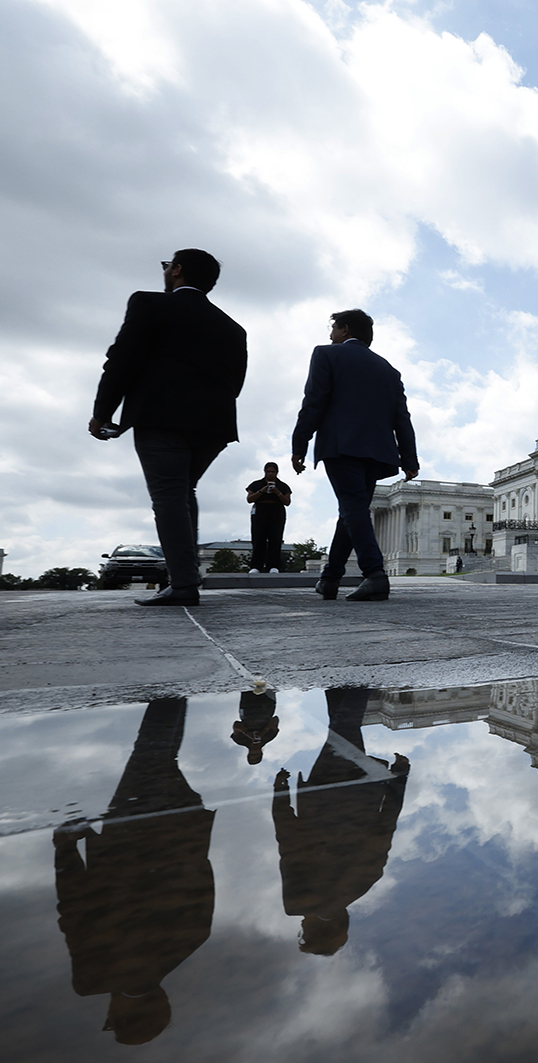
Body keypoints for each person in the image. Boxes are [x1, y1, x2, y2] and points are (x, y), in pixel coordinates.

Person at [90, 249, 248, 606]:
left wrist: (102, 411)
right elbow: (236, 381)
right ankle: (185, 578)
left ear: (177, 270)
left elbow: (121, 359)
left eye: (166, 265)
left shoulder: (149, 304)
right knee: (183, 492)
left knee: (169, 498)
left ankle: (183, 584)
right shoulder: (233, 327)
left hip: (161, 416)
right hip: (214, 424)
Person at [54, 698, 215, 1045]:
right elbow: (74, 908)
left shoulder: (192, 941)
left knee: (157, 757)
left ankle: (175, 694)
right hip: (129, 841)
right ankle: (171, 690)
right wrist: (65, 849)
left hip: (182, 828)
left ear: (164, 1001)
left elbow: (203, 873)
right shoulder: (91, 977)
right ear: (118, 1013)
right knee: (150, 753)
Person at [290, 309, 417, 602]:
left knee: (352, 509)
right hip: (379, 452)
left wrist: (300, 444)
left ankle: (374, 574)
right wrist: (409, 459)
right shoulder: (388, 369)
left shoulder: (326, 355)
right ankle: (330, 578)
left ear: (345, 330)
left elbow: (314, 401)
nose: (330, 334)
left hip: (341, 444)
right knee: (350, 511)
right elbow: (402, 418)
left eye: (333, 328)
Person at [272, 688, 409, 956]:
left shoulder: (361, 885)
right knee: (343, 728)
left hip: (361, 793)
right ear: (312, 930)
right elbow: (288, 840)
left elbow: (386, 825)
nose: (301, 926)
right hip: (322, 794)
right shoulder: (297, 900)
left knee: (342, 729)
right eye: (304, 932)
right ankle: (358, 679)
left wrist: (399, 778)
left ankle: (342, 681)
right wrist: (280, 795)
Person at [244, 462, 292, 572]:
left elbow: (287, 502)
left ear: (277, 473)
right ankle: (256, 566)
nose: (270, 474)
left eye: (273, 472)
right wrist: (261, 491)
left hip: (277, 511)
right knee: (258, 538)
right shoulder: (256, 484)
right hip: (260, 511)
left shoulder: (283, 486)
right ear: (264, 472)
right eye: (268, 472)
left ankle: (273, 566)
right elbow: (249, 499)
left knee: (275, 538)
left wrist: (277, 492)